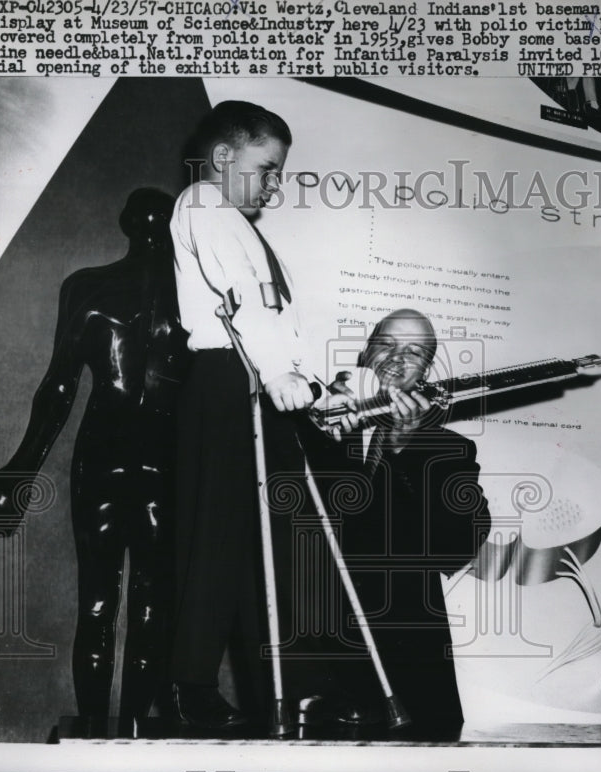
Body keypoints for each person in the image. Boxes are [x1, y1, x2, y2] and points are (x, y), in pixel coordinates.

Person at [0, 188, 190, 727]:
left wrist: (21, 469)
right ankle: (123, 732)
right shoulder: (194, 295)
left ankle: (105, 733)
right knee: (148, 606)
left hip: (107, 455)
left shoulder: (92, 288)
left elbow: (58, 389)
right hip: (161, 458)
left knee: (103, 603)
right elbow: (57, 388)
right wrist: (18, 469)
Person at [167, 101, 322, 731]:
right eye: (269, 168)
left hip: (260, 377)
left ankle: (297, 687)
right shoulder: (205, 202)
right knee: (221, 538)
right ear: (226, 157)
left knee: (285, 541)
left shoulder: (245, 226)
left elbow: (280, 319)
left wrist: (309, 379)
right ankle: (191, 687)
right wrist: (277, 371)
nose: (277, 185)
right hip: (229, 377)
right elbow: (236, 300)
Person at [307, 309, 491, 737]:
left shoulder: (449, 449)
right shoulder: (310, 427)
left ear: (426, 371)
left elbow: (457, 548)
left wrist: (402, 452)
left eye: (414, 352)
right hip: (314, 654)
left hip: (405, 668)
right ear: (363, 354)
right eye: (386, 345)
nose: (397, 358)